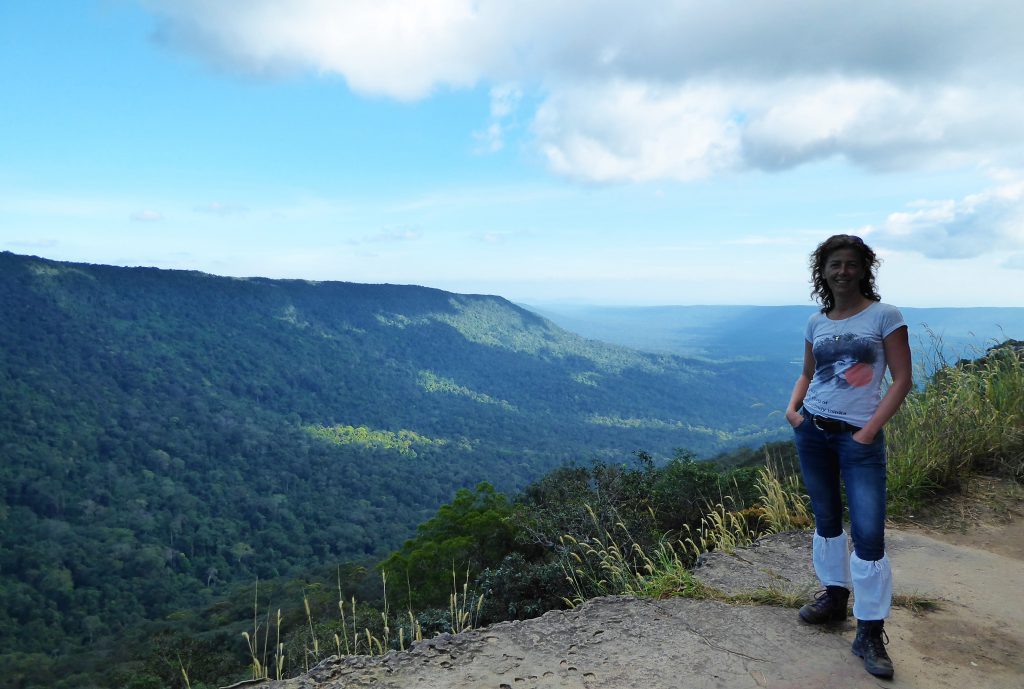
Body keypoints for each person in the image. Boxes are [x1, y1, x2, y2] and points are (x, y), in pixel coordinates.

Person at [784, 234, 912, 679]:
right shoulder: (816, 322)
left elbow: (901, 380)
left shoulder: (885, 316)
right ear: (823, 271)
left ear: (864, 269)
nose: (842, 272)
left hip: (859, 440)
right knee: (826, 520)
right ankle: (835, 598)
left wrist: (869, 432)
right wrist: (793, 409)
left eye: (851, 264)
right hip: (813, 430)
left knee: (870, 535)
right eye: (834, 264)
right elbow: (808, 372)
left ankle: (871, 631)